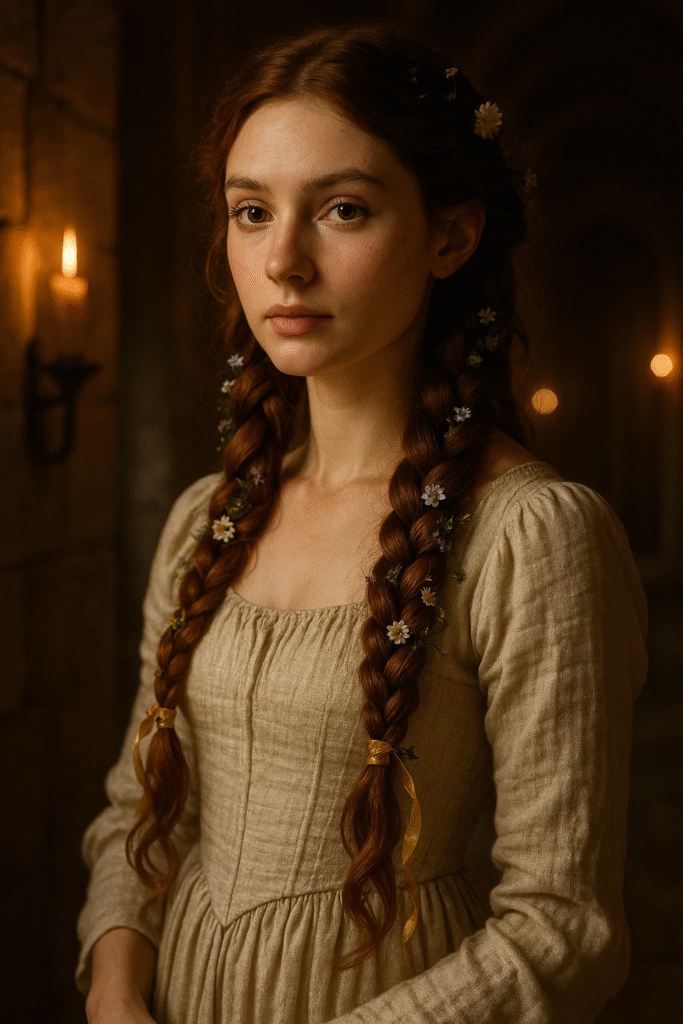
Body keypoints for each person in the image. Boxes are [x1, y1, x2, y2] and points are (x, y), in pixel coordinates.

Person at [76, 19, 648, 1024]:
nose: (284, 261)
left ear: (449, 235)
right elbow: (141, 814)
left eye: (341, 208)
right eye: (250, 212)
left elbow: (563, 927)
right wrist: (118, 994)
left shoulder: (532, 537)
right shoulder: (204, 519)